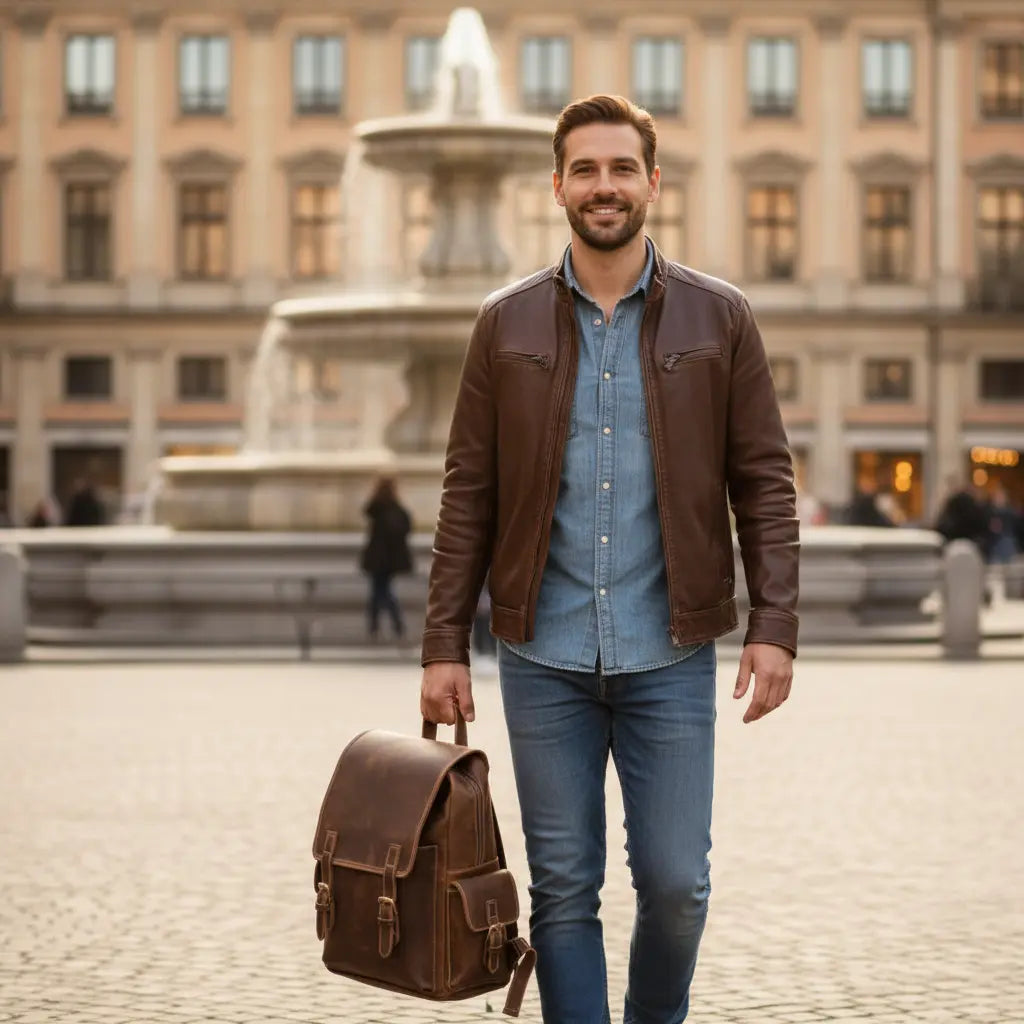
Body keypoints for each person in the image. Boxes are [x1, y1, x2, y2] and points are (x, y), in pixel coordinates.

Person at [420, 95, 798, 1024]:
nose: (604, 187)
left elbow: (765, 481)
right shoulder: (503, 323)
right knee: (563, 892)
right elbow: (468, 490)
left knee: (676, 885)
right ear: (557, 186)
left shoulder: (721, 318)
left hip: (669, 651)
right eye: (584, 170)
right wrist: (441, 646)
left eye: (621, 168)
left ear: (652, 184)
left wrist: (775, 625)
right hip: (541, 654)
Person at [359, 476, 412, 642]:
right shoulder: (397, 510)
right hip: (390, 561)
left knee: (379, 592)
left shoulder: (377, 509)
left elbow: (367, 511)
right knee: (382, 592)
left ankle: (377, 627)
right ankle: (393, 626)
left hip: (378, 561)